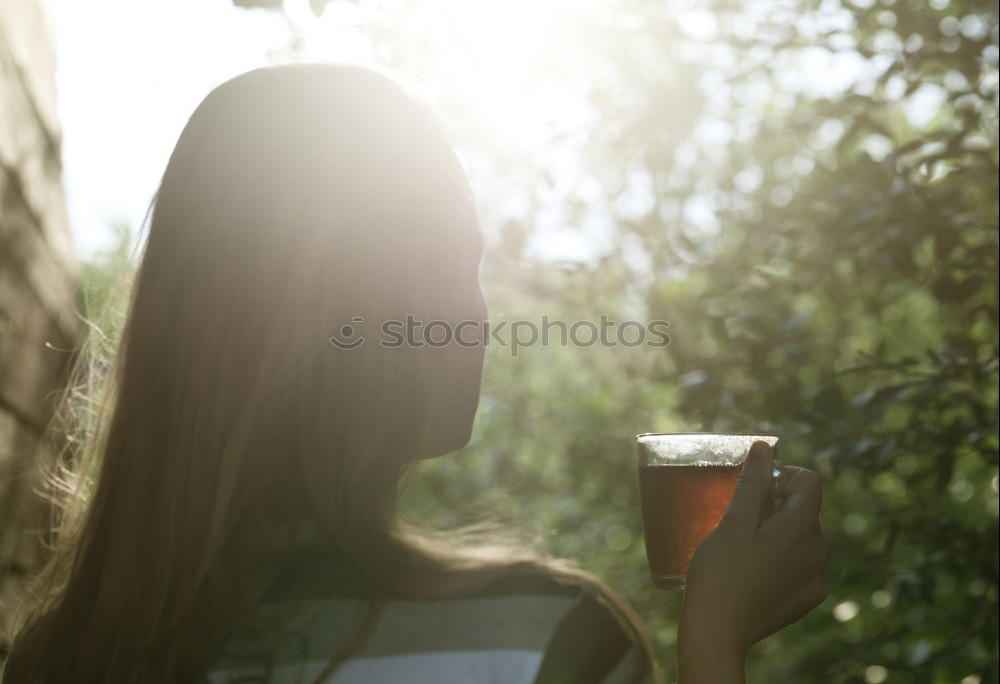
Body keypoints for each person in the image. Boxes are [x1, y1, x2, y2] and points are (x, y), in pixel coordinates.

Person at [1, 63, 827, 684]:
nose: (477, 313)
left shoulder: (56, 655)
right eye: (457, 262)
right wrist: (716, 637)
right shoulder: (542, 641)